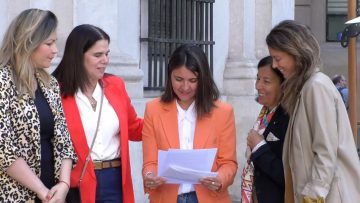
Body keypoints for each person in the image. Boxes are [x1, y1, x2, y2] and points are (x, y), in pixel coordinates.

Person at [266, 20, 360, 203]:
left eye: (277, 59)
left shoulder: (316, 86)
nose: (275, 66)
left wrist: (314, 194)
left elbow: (325, 150)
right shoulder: (306, 87)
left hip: (328, 196)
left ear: (296, 52)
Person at [53, 24, 143, 203]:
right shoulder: (56, 92)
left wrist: (167, 115)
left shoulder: (116, 85)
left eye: (107, 54)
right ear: (78, 57)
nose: (105, 60)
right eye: (97, 55)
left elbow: (135, 128)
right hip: (76, 184)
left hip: (115, 180)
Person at [142, 44, 237, 203]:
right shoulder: (153, 110)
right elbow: (150, 163)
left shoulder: (223, 112)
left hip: (209, 198)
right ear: (169, 76)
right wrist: (150, 176)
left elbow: (228, 163)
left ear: (203, 79)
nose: (185, 87)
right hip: (166, 197)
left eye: (193, 80)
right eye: (178, 79)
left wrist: (219, 179)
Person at [0, 8, 76, 203]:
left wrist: (64, 185)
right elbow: (3, 149)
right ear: (28, 42)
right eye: (49, 43)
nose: (55, 50)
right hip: (14, 195)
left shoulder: (49, 83)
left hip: (53, 193)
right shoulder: (3, 81)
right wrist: (42, 191)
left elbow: (64, 141)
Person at [246, 56, 289, 203]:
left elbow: (288, 176)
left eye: (266, 81)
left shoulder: (288, 117)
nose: (258, 86)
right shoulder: (264, 114)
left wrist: (259, 147)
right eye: (258, 79)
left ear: (283, 85)